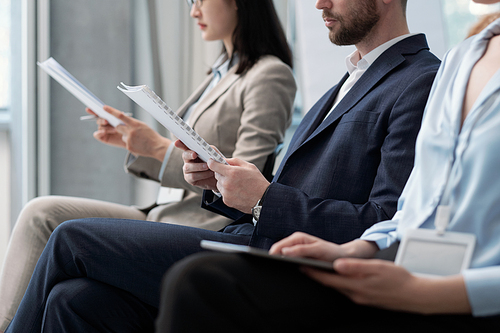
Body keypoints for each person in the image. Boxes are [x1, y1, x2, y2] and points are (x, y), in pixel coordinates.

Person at [5, 0, 441, 332]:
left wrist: (265, 198)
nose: (318, 2)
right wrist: (223, 184)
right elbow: (291, 189)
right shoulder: (345, 82)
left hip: (282, 259)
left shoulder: (420, 81)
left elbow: (386, 221)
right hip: (248, 237)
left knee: (70, 237)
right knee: (76, 299)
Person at [157, 6, 500, 332]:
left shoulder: (422, 76)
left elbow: (383, 209)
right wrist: (359, 249)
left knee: (198, 283)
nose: (320, 3)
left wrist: (420, 292)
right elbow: (415, 206)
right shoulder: (464, 57)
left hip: (458, 293)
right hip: (405, 264)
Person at [0, 0, 296, 331]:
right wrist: (135, 141)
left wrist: (155, 147)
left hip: (201, 222)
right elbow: (186, 151)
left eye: (200, 0)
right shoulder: (220, 72)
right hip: (164, 210)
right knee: (42, 218)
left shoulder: (270, 74)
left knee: (57, 235)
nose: (193, 11)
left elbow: (247, 176)